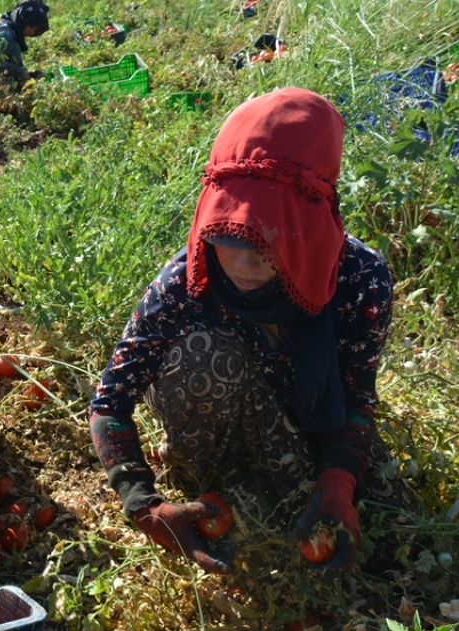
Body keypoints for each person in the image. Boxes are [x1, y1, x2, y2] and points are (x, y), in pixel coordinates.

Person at [88, 88, 410, 580]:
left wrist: (339, 479)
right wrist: (142, 504)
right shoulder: (186, 282)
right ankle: (230, 478)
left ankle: (300, 482)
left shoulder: (359, 279)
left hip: (304, 424)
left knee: (392, 520)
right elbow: (110, 401)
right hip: (217, 428)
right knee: (202, 352)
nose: (244, 261)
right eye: (227, 234)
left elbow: (358, 395)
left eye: (271, 236)